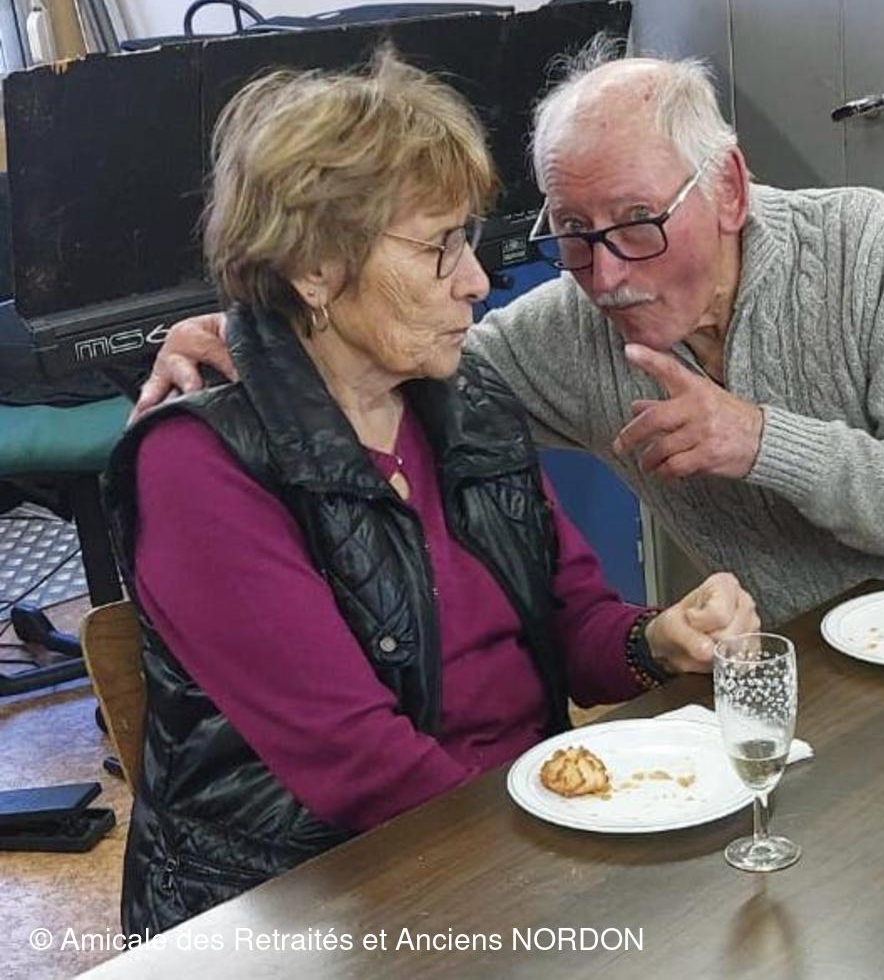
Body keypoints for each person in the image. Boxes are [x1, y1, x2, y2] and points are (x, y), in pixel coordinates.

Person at [105, 47, 760, 937]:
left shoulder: (465, 399)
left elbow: (571, 626)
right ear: (314, 269)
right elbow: (364, 770)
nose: (476, 281)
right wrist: (575, 878)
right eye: (438, 246)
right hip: (311, 910)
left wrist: (659, 639)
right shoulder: (199, 467)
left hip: (501, 854)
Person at [133, 45, 884, 626]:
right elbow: (389, 351)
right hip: (814, 679)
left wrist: (759, 441)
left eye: (637, 222)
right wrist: (247, 327)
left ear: (727, 189)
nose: (606, 274)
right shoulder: (560, 331)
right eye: (571, 233)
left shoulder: (864, 242)